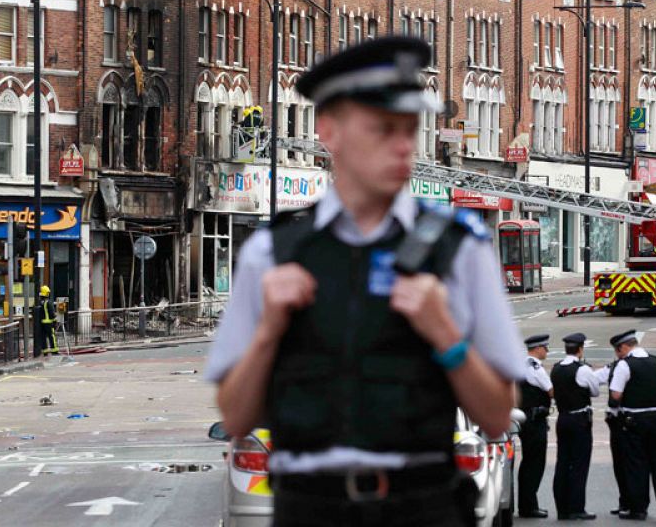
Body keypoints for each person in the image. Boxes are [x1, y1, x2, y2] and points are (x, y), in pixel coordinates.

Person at [205, 36, 527, 527]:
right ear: (329, 130)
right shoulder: (274, 252)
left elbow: (498, 415)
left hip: (422, 504)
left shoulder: (458, 248)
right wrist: (270, 330)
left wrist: (444, 333)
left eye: (409, 129)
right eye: (382, 129)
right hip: (309, 507)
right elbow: (236, 418)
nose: (403, 146)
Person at [608, 330, 656, 521]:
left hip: (634, 420)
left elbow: (616, 395)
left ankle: (639, 509)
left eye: (617, 351)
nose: (618, 355)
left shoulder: (624, 365)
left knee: (637, 465)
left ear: (623, 347)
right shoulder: (655, 361)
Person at [551, 332, 599, 521]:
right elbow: (594, 391)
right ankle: (577, 507)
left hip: (562, 418)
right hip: (579, 419)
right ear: (580, 349)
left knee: (562, 462)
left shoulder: (556, 368)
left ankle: (562, 508)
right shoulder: (582, 369)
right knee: (579, 464)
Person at [517, 334, 553, 519]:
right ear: (537, 348)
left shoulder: (522, 364)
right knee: (534, 464)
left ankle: (527, 504)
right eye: (545, 347)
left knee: (528, 464)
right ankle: (529, 507)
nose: (546, 351)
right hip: (534, 422)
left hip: (526, 421)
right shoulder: (535, 367)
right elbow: (550, 390)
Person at [593, 342, 630, 517]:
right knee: (624, 465)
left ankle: (631, 503)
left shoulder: (623, 366)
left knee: (627, 464)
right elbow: (596, 378)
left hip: (625, 420)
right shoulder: (616, 366)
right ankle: (627, 502)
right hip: (623, 421)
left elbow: (614, 396)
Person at [38, 285, 58, 356]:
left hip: (42, 324)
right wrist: (55, 321)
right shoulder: (49, 303)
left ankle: (45, 351)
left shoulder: (40, 303)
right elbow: (52, 314)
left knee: (43, 338)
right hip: (49, 323)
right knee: (52, 337)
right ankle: (54, 351)